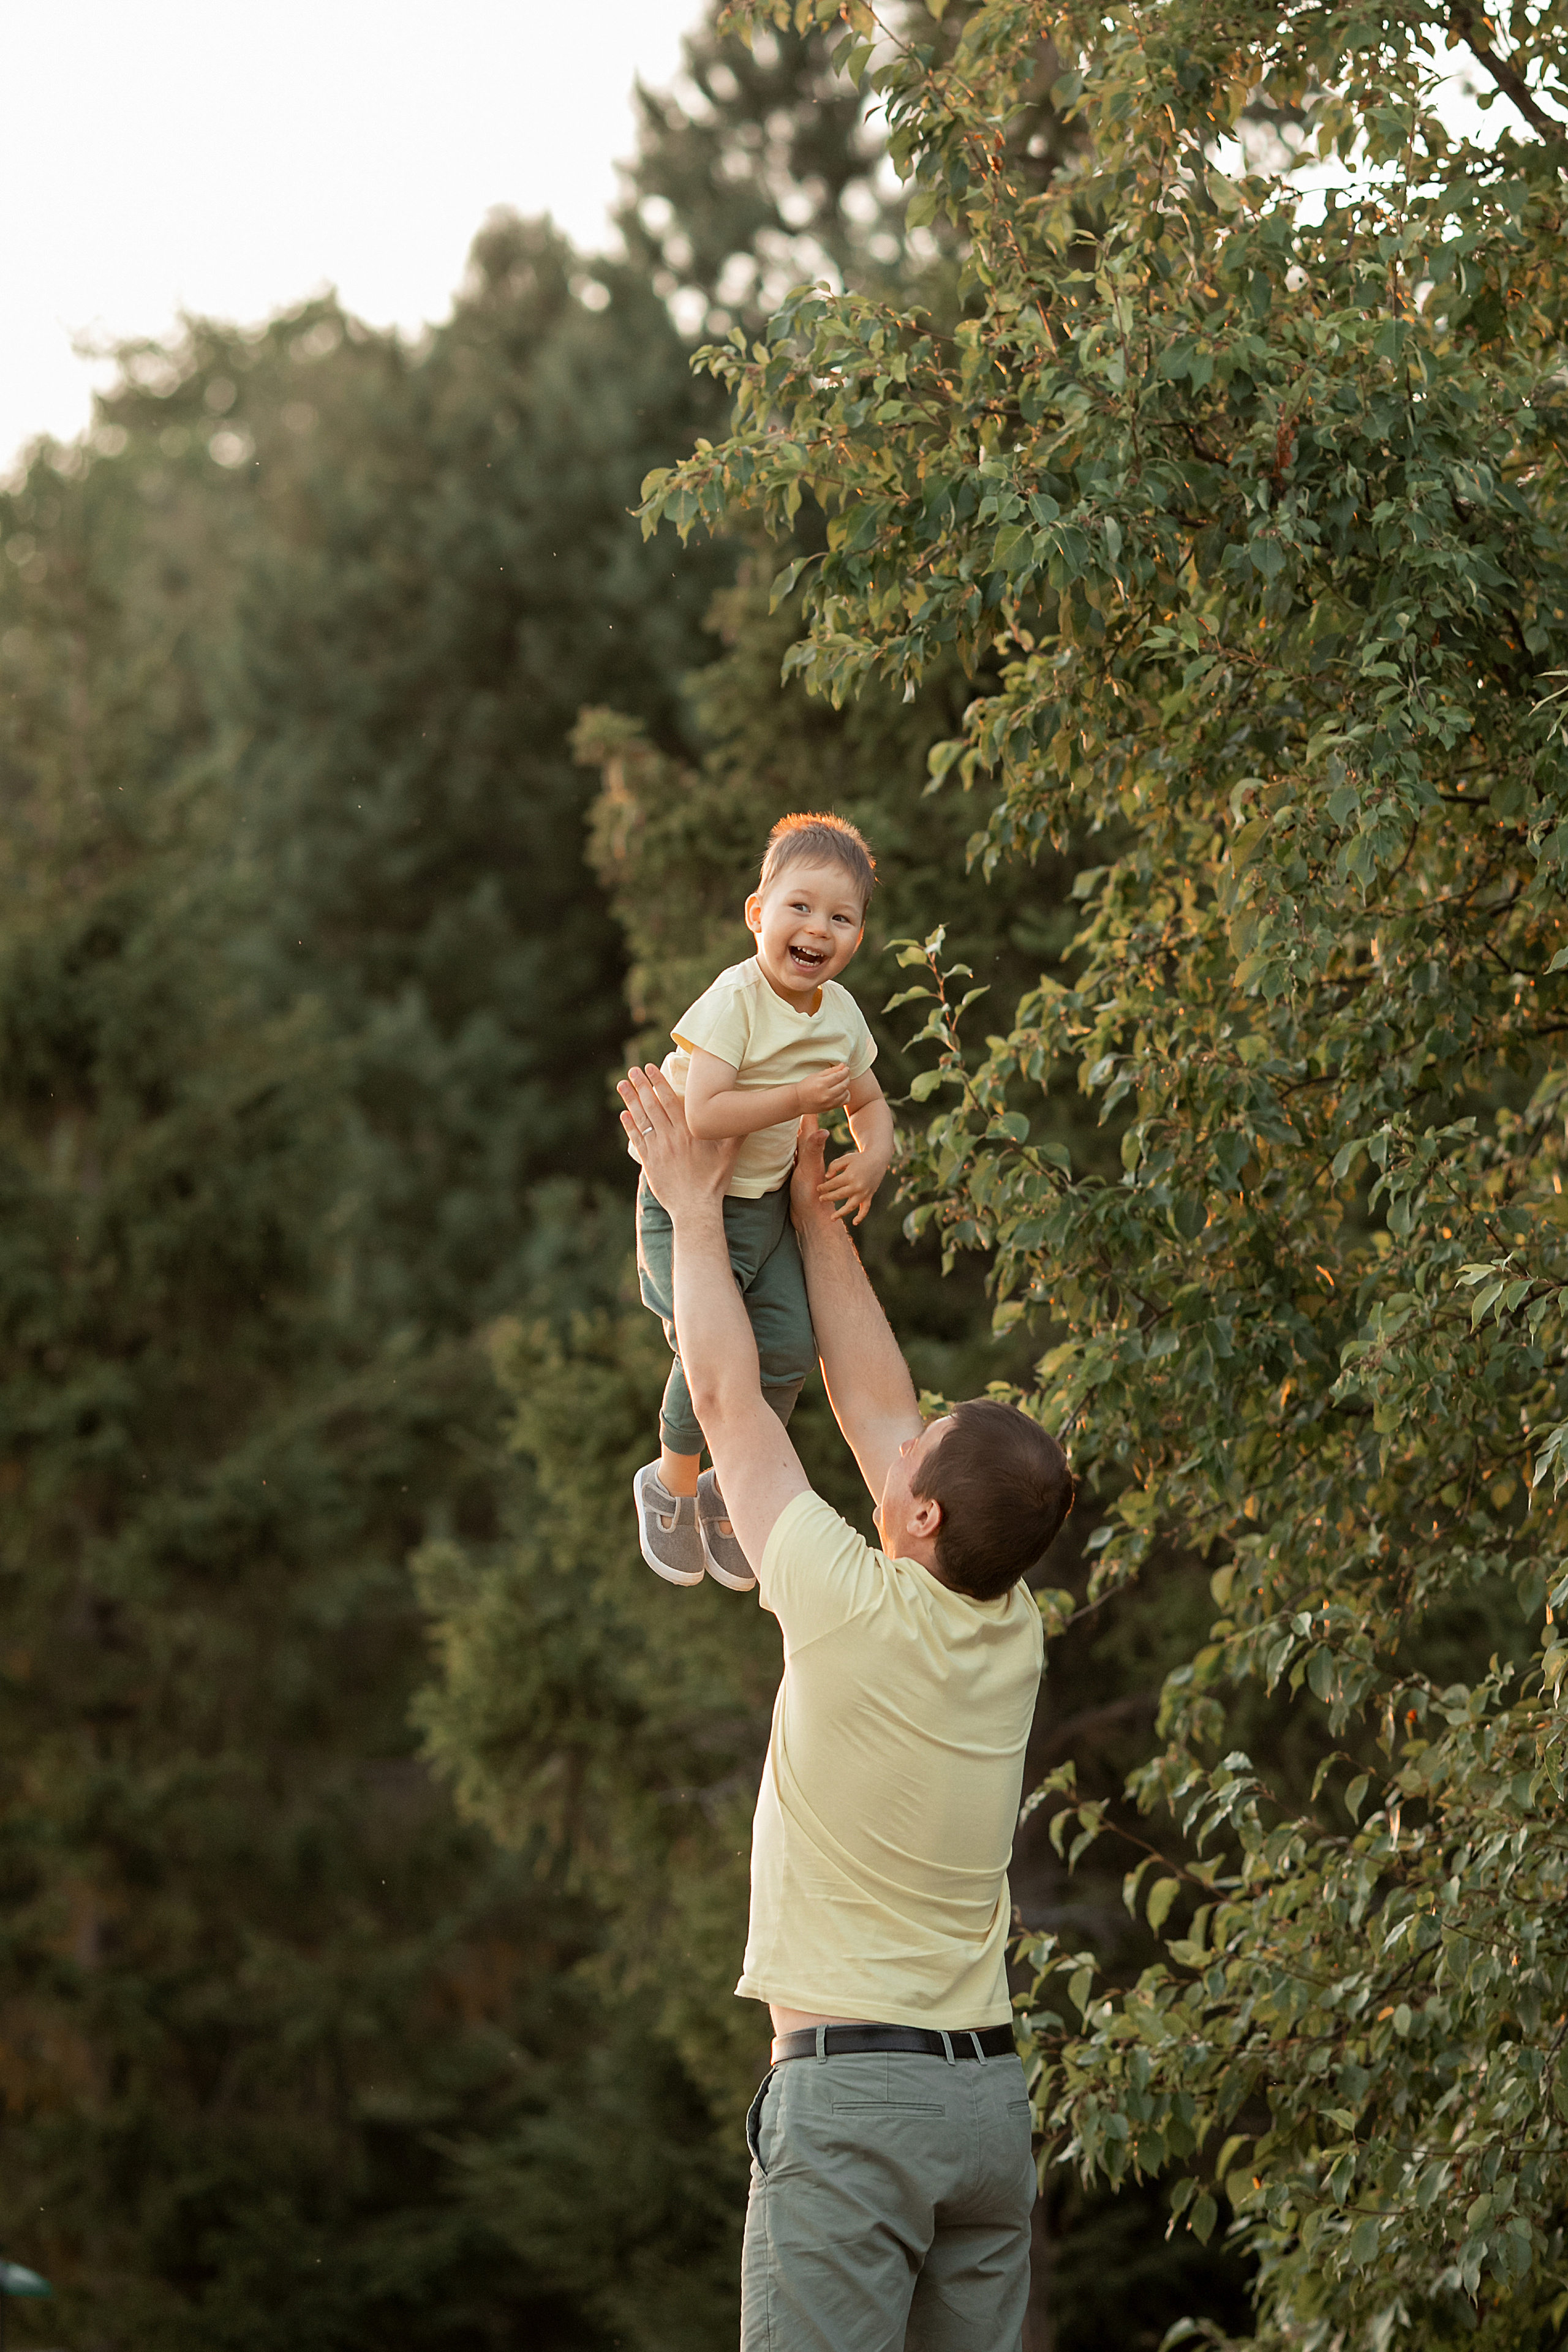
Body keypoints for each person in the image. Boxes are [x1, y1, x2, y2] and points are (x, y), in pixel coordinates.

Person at [616, 1060, 1074, 2352]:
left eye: (922, 1452)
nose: (904, 1432)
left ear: (920, 1514)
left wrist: (693, 1204)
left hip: (854, 2110)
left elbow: (725, 1405)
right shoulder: (1009, 1628)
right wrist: (817, 1211)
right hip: (981, 2115)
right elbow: (876, 1408)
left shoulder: (838, 1596)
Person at [631, 811, 894, 1593]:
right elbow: (706, 1114)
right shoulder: (733, 1001)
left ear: (857, 936)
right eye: (800, 908)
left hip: (767, 1207)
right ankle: (673, 1480)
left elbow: (870, 1102)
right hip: (683, 1203)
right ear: (758, 914)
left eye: (840, 918)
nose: (818, 929)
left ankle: (729, 1484)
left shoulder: (841, 1016)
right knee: (710, 1352)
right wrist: (793, 1098)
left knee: (786, 1346)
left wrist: (875, 1152)